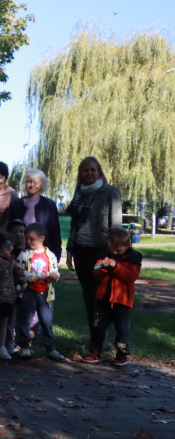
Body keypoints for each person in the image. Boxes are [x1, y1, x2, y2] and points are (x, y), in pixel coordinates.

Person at [65, 156, 123, 335]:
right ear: (80, 174)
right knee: (88, 295)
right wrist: (69, 250)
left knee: (99, 294)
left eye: (93, 170)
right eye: (85, 170)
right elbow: (74, 225)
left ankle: (100, 337)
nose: (89, 173)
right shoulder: (78, 195)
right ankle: (96, 337)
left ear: (99, 172)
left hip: (101, 251)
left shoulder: (109, 192)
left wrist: (115, 251)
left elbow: (116, 224)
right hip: (81, 251)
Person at [84, 227, 141, 365]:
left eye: (119, 249)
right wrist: (103, 266)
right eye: (112, 248)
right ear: (108, 243)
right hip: (103, 299)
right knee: (98, 325)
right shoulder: (104, 254)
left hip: (122, 301)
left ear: (127, 245)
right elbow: (96, 271)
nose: (115, 252)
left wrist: (116, 266)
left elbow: (130, 277)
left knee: (122, 328)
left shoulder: (133, 258)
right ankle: (95, 350)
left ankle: (121, 353)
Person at [15, 223, 65, 361]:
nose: (28, 242)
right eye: (27, 239)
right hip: (29, 292)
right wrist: (30, 277)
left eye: (32, 239)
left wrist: (55, 276)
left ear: (41, 238)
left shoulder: (50, 255)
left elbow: (55, 271)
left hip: (46, 294)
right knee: (25, 320)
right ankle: (24, 347)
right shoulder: (24, 255)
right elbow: (17, 272)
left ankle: (50, 348)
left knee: (46, 322)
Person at [19, 169, 62, 260]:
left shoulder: (49, 205)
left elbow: (55, 231)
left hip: (43, 252)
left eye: (36, 182)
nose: (32, 185)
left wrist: (56, 253)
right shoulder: (16, 204)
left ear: (42, 184)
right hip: (20, 251)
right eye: (29, 182)